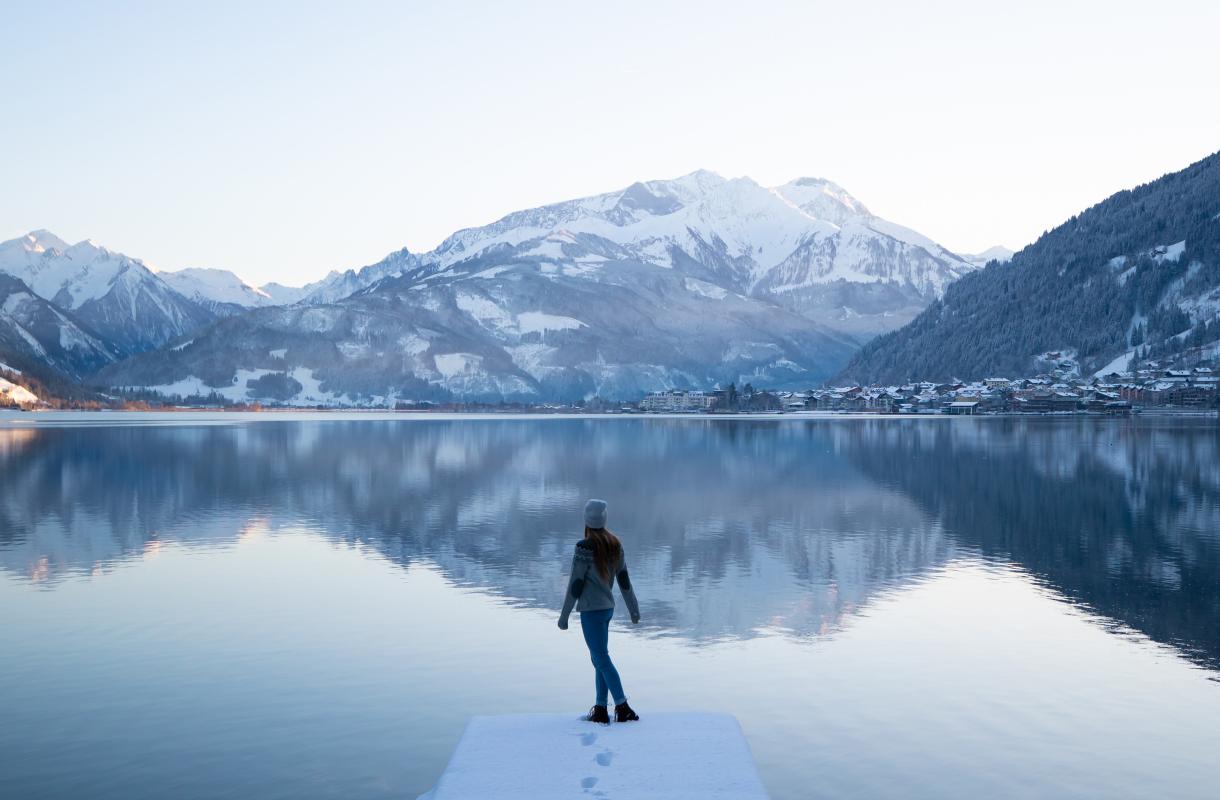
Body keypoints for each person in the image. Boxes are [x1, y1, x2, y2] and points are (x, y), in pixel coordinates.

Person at [558, 498, 641, 724]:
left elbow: (575, 585)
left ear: (586, 521)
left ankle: (622, 706)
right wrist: (633, 609)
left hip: (591, 612)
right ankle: (601, 707)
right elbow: (624, 581)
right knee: (600, 659)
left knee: (601, 659)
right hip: (607, 610)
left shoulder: (583, 548)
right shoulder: (615, 545)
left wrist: (564, 616)